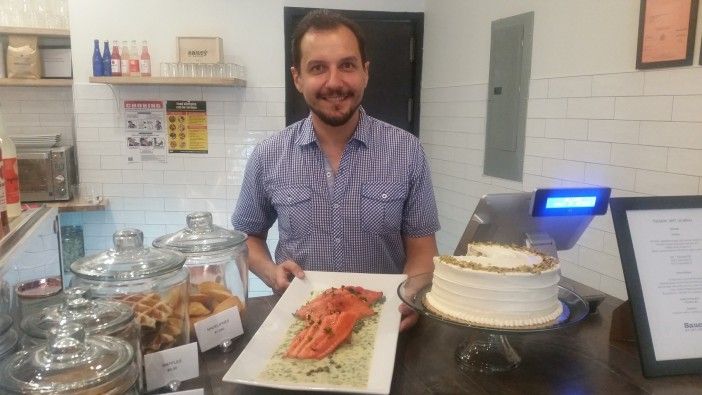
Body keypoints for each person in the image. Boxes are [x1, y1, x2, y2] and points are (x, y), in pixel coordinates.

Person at [232, 9, 440, 330]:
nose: (334, 82)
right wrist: (272, 272)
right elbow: (248, 237)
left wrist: (410, 294)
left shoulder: (406, 151)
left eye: (347, 65)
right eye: (317, 68)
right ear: (297, 78)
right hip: (300, 322)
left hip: (382, 323)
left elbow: (422, 249)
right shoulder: (268, 155)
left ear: (365, 72)